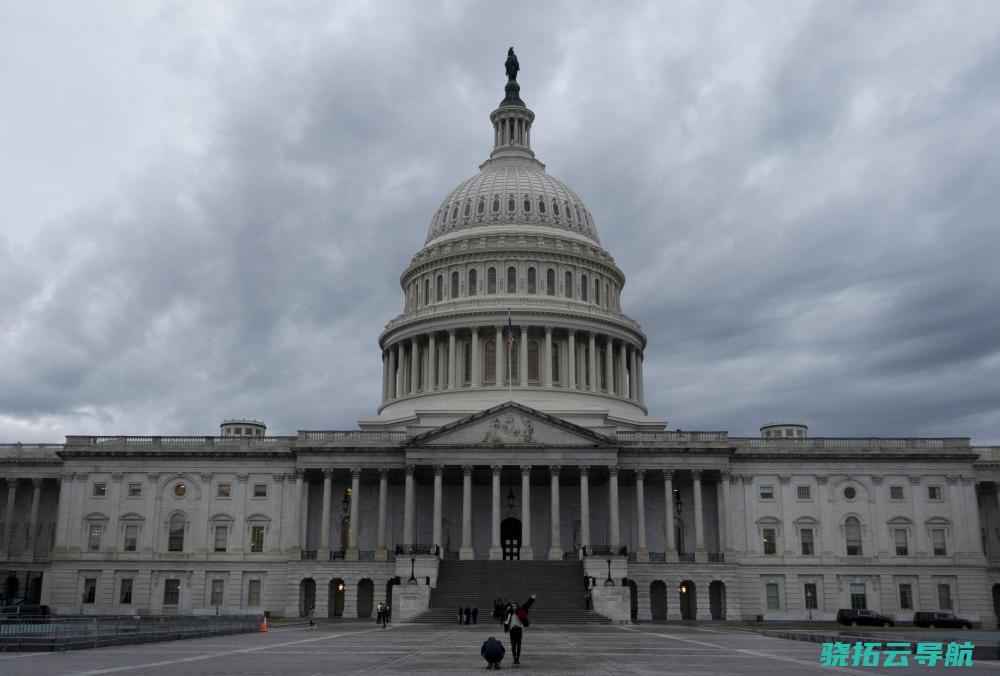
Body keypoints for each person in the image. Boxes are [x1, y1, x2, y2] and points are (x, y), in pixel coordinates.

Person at [503, 594, 536, 665]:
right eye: (513, 606)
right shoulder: (509, 613)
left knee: (519, 646)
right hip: (512, 631)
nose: (514, 607)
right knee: (513, 646)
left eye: (515, 606)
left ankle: (517, 658)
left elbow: (527, 605)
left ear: (517, 606)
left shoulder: (520, 611)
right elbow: (503, 615)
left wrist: (531, 598)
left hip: (519, 630)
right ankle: (514, 658)